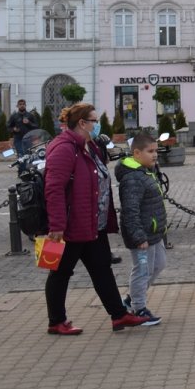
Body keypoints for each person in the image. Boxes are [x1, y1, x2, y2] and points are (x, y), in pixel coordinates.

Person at [43, 103, 147, 334]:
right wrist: (57, 224)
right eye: (94, 120)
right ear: (82, 123)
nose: (97, 124)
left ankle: (119, 315)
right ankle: (56, 321)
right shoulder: (64, 148)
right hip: (72, 225)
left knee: (102, 269)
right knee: (60, 272)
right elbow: (54, 188)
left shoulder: (89, 146)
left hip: (93, 223)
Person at [115, 131, 166, 325]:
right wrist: (138, 236)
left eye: (156, 151)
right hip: (142, 235)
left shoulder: (145, 172)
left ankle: (131, 299)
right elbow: (130, 210)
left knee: (158, 265)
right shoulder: (133, 178)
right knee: (142, 271)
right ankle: (139, 308)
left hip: (153, 232)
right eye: (150, 151)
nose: (155, 155)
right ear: (136, 153)